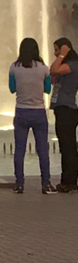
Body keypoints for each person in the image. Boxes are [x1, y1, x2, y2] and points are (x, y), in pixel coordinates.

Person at [9, 37, 53, 194]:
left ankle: (19, 183)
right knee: (42, 150)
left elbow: (12, 88)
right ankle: (46, 184)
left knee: (19, 149)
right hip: (39, 111)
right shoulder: (43, 68)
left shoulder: (14, 67)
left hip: (21, 111)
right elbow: (47, 89)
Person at [51, 37, 78, 192]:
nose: (55, 53)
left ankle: (69, 182)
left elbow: (54, 70)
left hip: (67, 109)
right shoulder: (67, 64)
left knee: (68, 147)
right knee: (66, 146)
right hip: (61, 108)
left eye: (57, 49)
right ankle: (69, 180)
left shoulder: (72, 64)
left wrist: (62, 55)